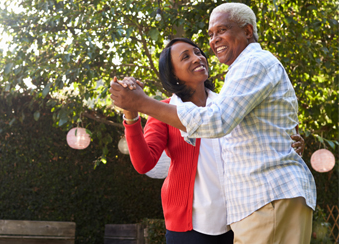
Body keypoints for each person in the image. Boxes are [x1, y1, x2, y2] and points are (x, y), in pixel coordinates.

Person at [110, 3, 316, 244]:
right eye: (186, 56)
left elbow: (228, 123)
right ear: (173, 73)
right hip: (193, 225)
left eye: (197, 51)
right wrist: (132, 113)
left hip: (236, 216)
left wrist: (287, 143)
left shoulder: (227, 101)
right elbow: (144, 162)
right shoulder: (165, 111)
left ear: (247, 31)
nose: (199, 56)